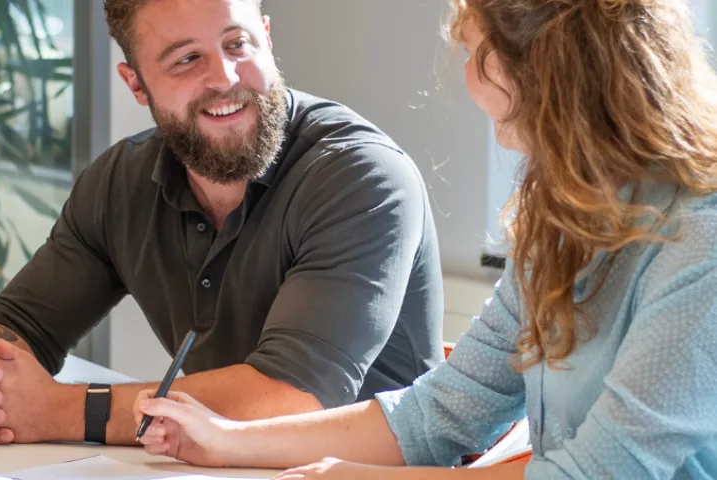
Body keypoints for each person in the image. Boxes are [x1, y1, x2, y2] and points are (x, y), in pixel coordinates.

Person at [130, 0, 717, 478]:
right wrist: (227, 442)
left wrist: (348, 476)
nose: (464, 77)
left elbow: (601, 472)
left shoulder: (701, 240)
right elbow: (440, 414)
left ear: (545, 70)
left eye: (473, 51)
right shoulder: (561, 223)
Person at [0, 0, 444, 447]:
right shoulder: (118, 182)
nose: (224, 77)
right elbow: (18, 323)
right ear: (136, 83)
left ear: (266, 37)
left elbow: (289, 399)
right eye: (187, 59)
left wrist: (56, 410)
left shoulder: (362, 177)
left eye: (237, 44)